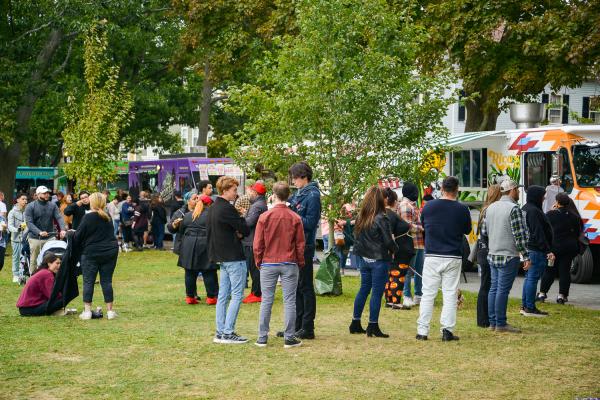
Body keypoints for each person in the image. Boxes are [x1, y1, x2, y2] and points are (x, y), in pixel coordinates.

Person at [416, 177, 471, 341]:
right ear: (457, 190)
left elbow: (423, 225)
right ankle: (447, 330)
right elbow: (467, 230)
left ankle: (422, 331)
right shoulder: (462, 209)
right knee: (449, 294)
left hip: (432, 254)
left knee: (428, 294)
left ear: (441, 189)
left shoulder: (429, 206)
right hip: (453, 255)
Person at [254, 182, 305, 348]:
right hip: (289, 261)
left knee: (266, 300)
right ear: (288, 196)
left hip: (269, 262)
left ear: (274, 195)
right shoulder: (295, 217)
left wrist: (259, 260)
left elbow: (258, 244)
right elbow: (300, 244)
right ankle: (289, 337)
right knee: (290, 300)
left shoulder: (264, 217)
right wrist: (300, 261)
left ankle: (262, 337)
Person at [480, 179, 530, 333]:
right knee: (502, 290)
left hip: (493, 254)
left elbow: (484, 232)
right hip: (508, 255)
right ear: (512, 190)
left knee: (494, 289)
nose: (519, 192)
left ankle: (494, 323)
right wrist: (526, 256)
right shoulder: (513, 208)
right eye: (517, 189)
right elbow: (519, 235)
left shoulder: (490, 208)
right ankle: (501, 323)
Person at [349, 186, 398, 338]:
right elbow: (388, 241)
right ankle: (373, 325)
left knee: (364, 289)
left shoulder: (361, 217)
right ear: (380, 200)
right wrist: (396, 249)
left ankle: (355, 323)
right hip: (378, 259)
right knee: (376, 293)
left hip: (363, 258)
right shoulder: (381, 218)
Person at [208, 176, 250, 344]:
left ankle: (221, 331)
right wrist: (241, 219)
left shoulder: (213, 207)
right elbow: (244, 229)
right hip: (232, 256)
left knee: (223, 295)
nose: (236, 193)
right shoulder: (226, 208)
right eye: (234, 190)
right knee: (236, 295)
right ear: (225, 191)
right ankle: (228, 332)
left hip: (221, 257)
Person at [286, 161, 321, 339]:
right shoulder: (298, 193)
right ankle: (297, 324)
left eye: (295, 178)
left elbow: (310, 222)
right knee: (297, 286)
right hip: (295, 244)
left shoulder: (313, 195)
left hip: (305, 244)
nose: (293, 181)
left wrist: (292, 213)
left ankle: (308, 327)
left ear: (304, 177)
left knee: (306, 286)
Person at [73, 192, 119, 320]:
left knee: (88, 281)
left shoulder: (88, 218)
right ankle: (110, 311)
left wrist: (71, 234)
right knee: (107, 281)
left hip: (91, 253)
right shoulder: (107, 217)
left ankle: (87, 311)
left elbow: (78, 236)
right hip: (110, 252)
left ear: (92, 203)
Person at [539, 193, 583, 304]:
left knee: (549, 271)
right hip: (569, 248)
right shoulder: (575, 216)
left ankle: (542, 293)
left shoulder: (550, 214)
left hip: (555, 248)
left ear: (557, 202)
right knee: (565, 271)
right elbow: (578, 233)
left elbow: (546, 229)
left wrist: (551, 211)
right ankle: (561, 296)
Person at [175, 194, 219, 305]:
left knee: (190, 272)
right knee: (208, 271)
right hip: (205, 244)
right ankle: (211, 297)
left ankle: (190, 297)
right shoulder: (212, 216)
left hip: (189, 245)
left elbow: (181, 230)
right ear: (209, 204)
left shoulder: (188, 215)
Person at [520, 185, 553, 317]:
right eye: (542, 195)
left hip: (529, 247)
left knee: (529, 278)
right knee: (533, 278)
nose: (544, 198)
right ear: (536, 196)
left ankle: (525, 305)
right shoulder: (534, 211)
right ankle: (529, 307)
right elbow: (538, 232)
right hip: (536, 249)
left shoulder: (525, 208)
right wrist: (547, 250)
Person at [24, 186, 66, 274]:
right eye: (44, 193)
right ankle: (33, 278)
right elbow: (29, 223)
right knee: (34, 259)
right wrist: (39, 232)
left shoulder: (52, 205)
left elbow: (59, 217)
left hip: (50, 237)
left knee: (52, 259)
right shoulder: (30, 206)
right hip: (35, 238)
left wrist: (62, 229)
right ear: (38, 194)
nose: (47, 195)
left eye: (47, 193)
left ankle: (51, 277)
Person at [475, 184, 501, 328]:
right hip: (486, 250)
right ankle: (484, 319)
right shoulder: (489, 211)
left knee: (487, 285)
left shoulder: (484, 209)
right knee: (487, 285)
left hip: (482, 250)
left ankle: (485, 318)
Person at [381, 188, 411, 309]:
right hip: (400, 250)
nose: (399, 203)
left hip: (397, 250)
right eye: (397, 201)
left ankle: (390, 300)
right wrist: (392, 249)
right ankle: (396, 302)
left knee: (392, 275)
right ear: (392, 201)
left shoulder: (386, 214)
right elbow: (390, 234)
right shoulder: (390, 215)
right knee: (398, 275)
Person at [399, 182, 425, 308]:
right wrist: (421, 228)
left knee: (420, 270)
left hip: (419, 243)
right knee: (408, 271)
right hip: (410, 243)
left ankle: (419, 295)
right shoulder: (405, 206)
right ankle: (406, 296)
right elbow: (406, 225)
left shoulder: (412, 205)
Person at [242, 182, 268, 304]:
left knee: (255, 268)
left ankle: (257, 293)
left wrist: (239, 220)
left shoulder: (257, 206)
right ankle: (255, 291)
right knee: (254, 268)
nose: (248, 194)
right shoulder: (259, 204)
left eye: (250, 192)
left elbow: (249, 222)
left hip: (253, 241)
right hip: (253, 240)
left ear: (255, 193)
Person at [7, 193, 28, 283]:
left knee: (25, 257)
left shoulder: (27, 211)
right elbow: (9, 226)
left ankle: (22, 274)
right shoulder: (12, 212)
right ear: (18, 200)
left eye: (26, 199)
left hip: (26, 239)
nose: (25, 201)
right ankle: (15, 275)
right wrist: (17, 229)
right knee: (16, 257)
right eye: (23, 199)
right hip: (16, 239)